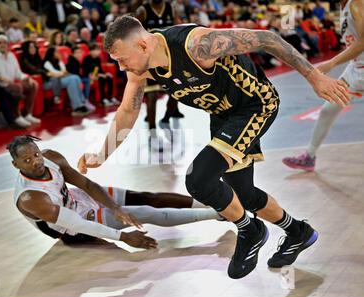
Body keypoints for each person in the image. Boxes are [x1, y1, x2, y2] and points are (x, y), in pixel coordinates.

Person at [77, 16, 351, 279]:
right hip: (223, 116)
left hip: (255, 106)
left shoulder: (197, 44)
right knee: (243, 196)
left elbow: (267, 39)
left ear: (142, 45)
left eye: (121, 60)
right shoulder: (143, 68)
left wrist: (314, 76)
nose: (122, 67)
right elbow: (127, 110)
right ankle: (298, 232)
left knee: (198, 178)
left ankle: (250, 230)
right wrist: (102, 153)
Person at [10, 135, 224, 248]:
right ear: (15, 164)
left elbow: (87, 185)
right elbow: (76, 224)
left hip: (76, 199)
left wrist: (115, 208)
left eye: (36, 155)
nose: (36, 162)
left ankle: (209, 203)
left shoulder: (51, 157)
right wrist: (123, 237)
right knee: (146, 212)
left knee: (147, 197)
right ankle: (218, 214)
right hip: (72, 227)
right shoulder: (31, 198)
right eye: (27, 160)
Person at [282, 0, 364, 172]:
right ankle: (309, 157)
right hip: (355, 68)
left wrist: (331, 63)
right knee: (328, 110)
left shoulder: (357, 3)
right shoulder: (343, 7)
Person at [136, 0, 184, 132]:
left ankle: (166, 119)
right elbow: (134, 32)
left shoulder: (170, 8)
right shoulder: (143, 10)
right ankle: (152, 129)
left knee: (176, 93)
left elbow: (178, 29)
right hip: (150, 58)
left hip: (168, 56)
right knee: (152, 95)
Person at [0, 35, 40, 126]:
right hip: (0, 87)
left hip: (11, 84)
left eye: (4, 43)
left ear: (7, 45)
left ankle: (27, 114)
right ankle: (17, 117)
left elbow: (18, 73)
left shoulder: (11, 56)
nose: (2, 45)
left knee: (33, 84)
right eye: (0, 43)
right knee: (17, 88)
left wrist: (26, 77)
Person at [42, 47, 93, 116]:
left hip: (59, 80)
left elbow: (64, 71)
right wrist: (62, 73)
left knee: (76, 77)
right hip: (50, 83)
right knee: (72, 79)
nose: (58, 53)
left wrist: (62, 73)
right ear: (52, 54)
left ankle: (81, 103)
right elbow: (55, 73)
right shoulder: (46, 62)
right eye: (56, 52)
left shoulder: (59, 61)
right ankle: (76, 107)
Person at [82, 42, 119, 107]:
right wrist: (100, 75)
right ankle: (102, 99)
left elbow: (100, 70)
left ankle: (110, 97)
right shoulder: (86, 59)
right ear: (91, 51)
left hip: (97, 75)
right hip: (90, 77)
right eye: (96, 50)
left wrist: (106, 74)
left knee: (109, 77)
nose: (98, 52)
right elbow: (86, 72)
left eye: (99, 50)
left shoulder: (98, 59)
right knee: (102, 79)